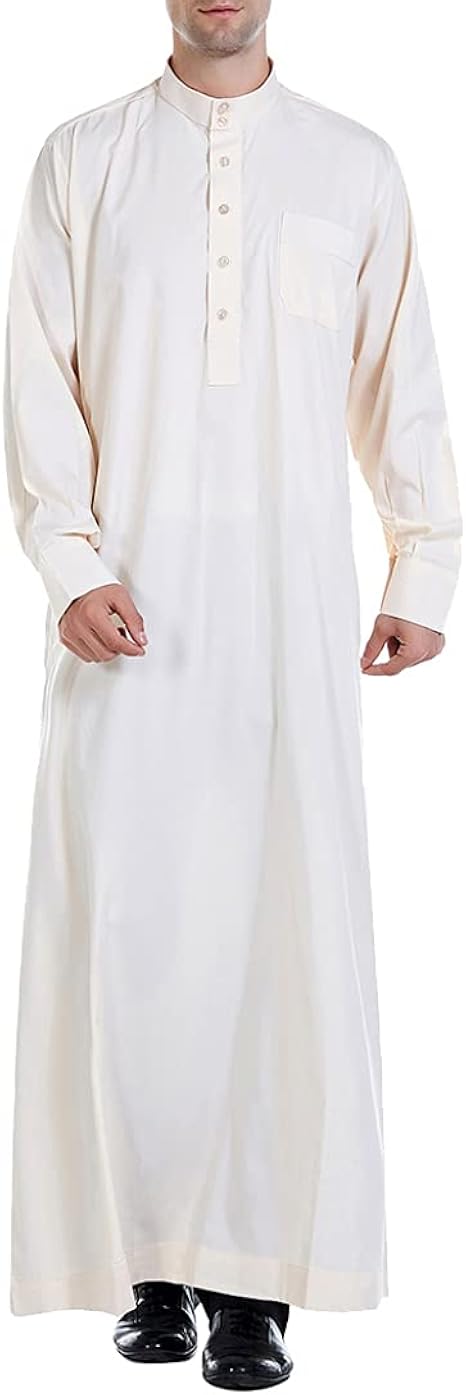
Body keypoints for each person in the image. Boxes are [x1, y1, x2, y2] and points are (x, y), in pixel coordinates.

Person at [3, 1, 462, 1389]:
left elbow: (401, 379)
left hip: (286, 623)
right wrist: (69, 561)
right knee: (132, 937)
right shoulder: (82, 159)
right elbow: (36, 378)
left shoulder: (353, 164)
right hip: (126, 623)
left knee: (277, 934)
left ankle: (256, 1286)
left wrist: (421, 562)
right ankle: (149, 1262)